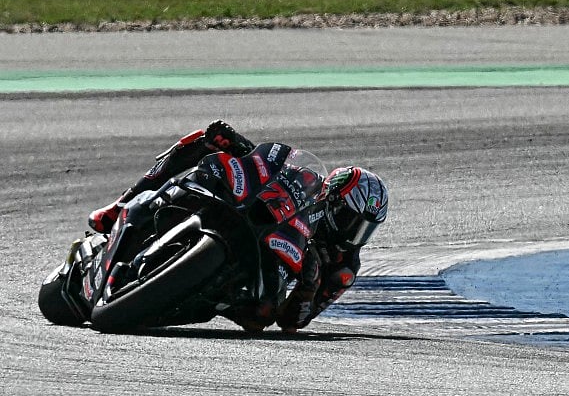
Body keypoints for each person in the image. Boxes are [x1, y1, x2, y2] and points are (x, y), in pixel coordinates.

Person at [87, 120, 388, 332]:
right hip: (252, 221)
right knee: (202, 139)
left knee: (260, 317)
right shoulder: (310, 183)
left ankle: (184, 295)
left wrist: (307, 290)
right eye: (352, 221)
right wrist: (237, 145)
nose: (355, 235)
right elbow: (270, 171)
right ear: (332, 200)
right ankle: (119, 206)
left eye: (365, 229)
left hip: (263, 280)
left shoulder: (343, 267)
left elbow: (292, 323)